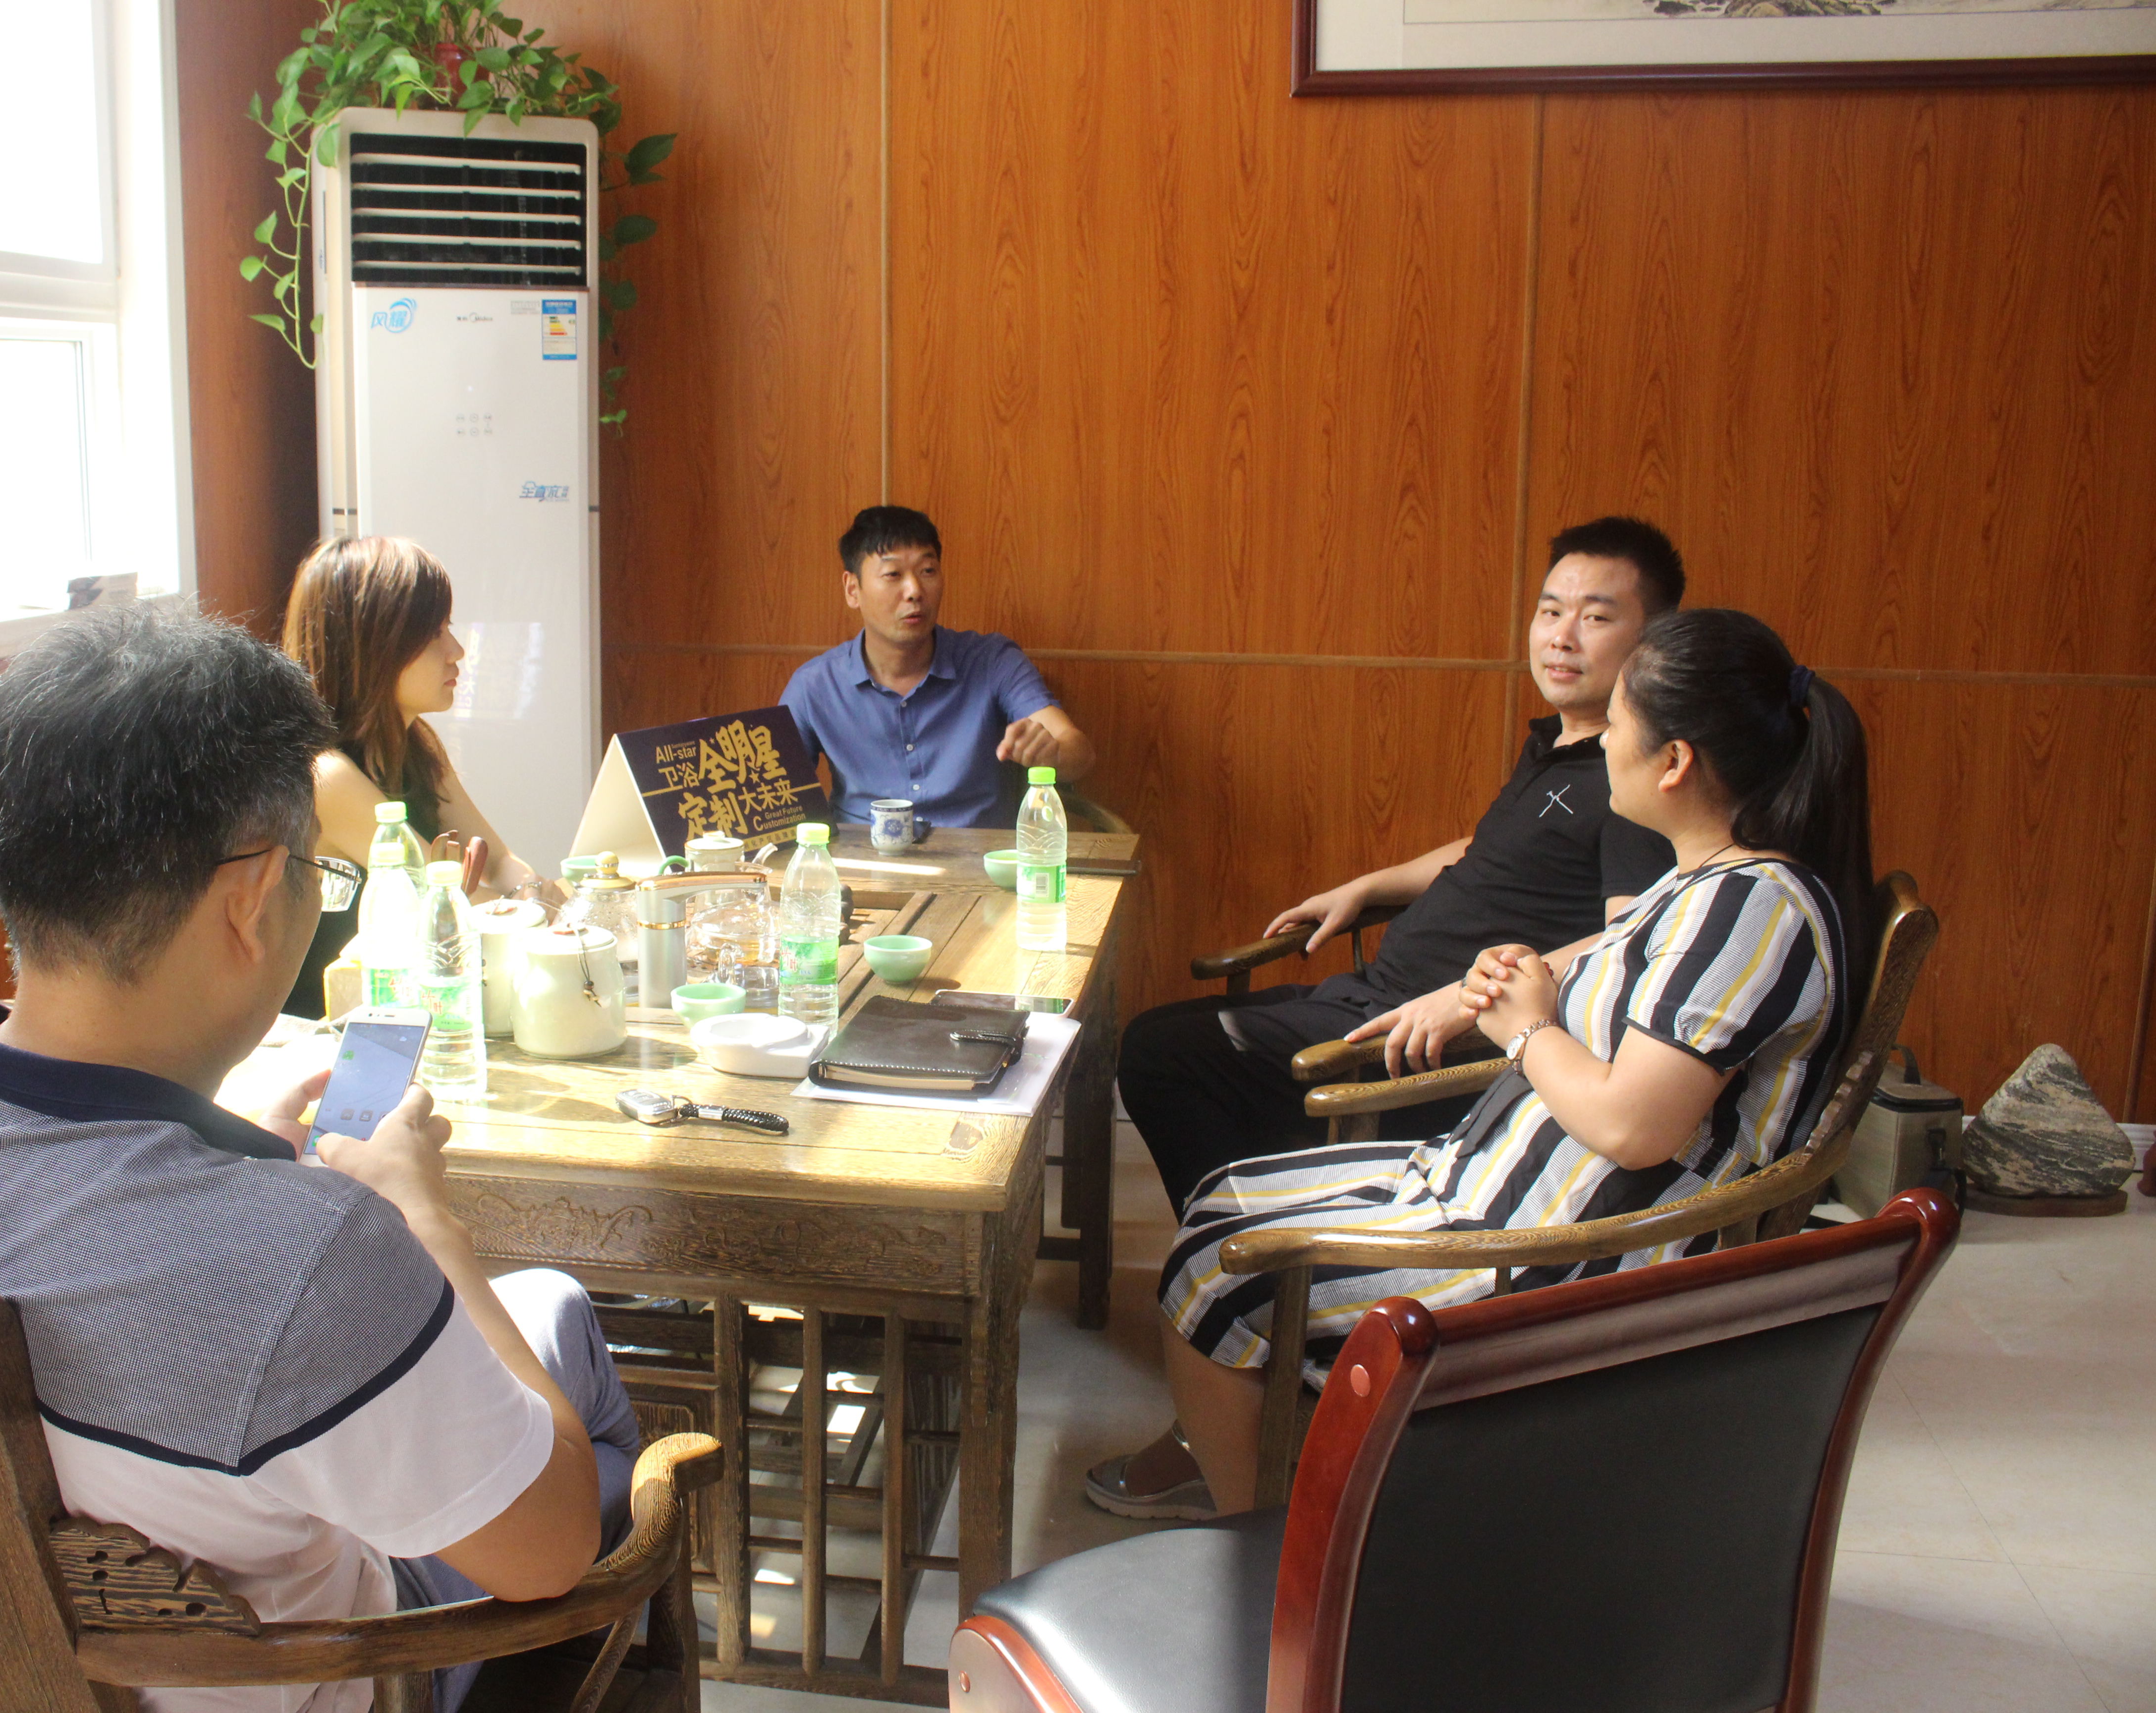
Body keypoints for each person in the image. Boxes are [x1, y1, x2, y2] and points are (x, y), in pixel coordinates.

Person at [0, 604, 642, 1713]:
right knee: (567, 1342)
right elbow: (548, 1551)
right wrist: (425, 1226)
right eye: (316, 874)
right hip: (335, 1677)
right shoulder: (314, 1258)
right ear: (251, 897)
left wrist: (233, 1158)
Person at [1148, 607, 1875, 1516]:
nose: (1602, 743)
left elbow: (1634, 1127)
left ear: (1674, 762)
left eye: (1617, 725)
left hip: (1565, 1254)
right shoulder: (1704, 883)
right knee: (1221, 1201)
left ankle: (1263, 1548)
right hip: (1500, 1191)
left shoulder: (1748, 909)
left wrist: (1526, 1031)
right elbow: (1621, 995)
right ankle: (1296, 1517)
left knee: (1215, 1271)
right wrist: (1526, 979)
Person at [1094, 516, 1684, 1518]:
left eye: (1595, 616)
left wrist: (1476, 996)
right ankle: (1258, 1308)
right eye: (1549, 610)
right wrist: (1367, 887)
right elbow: (1479, 854)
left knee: (1164, 1054)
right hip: (1366, 995)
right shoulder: (1562, 749)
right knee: (1171, 1049)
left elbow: (1634, 934)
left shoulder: (1625, 783)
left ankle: (1262, 1317)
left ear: (1652, 640)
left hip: (1417, 1043)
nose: (1560, 635)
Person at [281, 535, 555, 1018]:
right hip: (339, 1032)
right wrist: (538, 906)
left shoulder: (415, 743)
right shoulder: (328, 776)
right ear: (370, 646)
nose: (457, 651)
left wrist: (530, 891)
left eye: (448, 628)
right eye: (432, 635)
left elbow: (498, 861)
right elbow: (449, 903)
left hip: (414, 1012)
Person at [780, 505, 1097, 827]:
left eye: (928, 571)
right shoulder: (815, 686)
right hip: (862, 856)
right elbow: (774, 800)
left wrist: (1053, 755)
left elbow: (1078, 751)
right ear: (853, 590)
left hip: (980, 857)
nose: (915, 591)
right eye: (893, 575)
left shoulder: (992, 661)